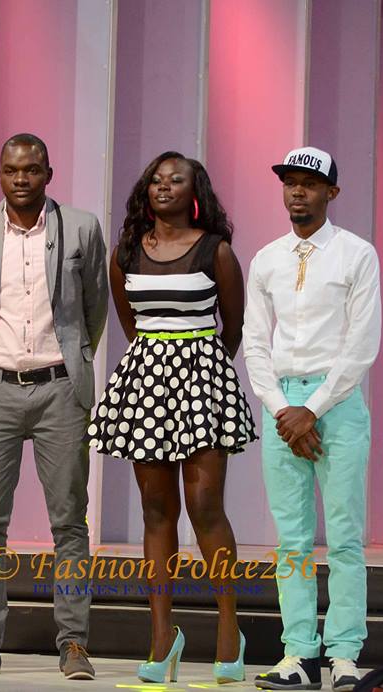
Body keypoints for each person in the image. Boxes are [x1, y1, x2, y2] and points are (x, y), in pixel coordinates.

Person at [87, 151, 257, 684]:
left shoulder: (216, 251)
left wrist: (200, 371)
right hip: (148, 382)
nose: (164, 187)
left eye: (175, 180)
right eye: (156, 180)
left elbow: (234, 327)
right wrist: (160, 366)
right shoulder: (126, 254)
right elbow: (130, 324)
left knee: (205, 506)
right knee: (156, 510)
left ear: (194, 191)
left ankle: (229, 628)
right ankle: (163, 637)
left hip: (203, 380)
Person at [0, 133, 108, 680]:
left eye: (32, 169)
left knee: (69, 521)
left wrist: (73, 360)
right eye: (11, 170)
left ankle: (74, 643)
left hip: (59, 388)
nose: (21, 179)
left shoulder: (81, 227)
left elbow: (93, 309)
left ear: (48, 173)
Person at [244, 147, 381, 691]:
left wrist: (313, 410)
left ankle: (344, 655)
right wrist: (283, 411)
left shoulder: (356, 254)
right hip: (282, 407)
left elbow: (361, 343)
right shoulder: (267, 259)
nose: (297, 191)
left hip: (336, 404)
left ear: (332, 192)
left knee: (345, 537)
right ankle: (298, 654)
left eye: (309, 182)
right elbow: (255, 343)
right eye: (289, 182)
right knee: (292, 541)